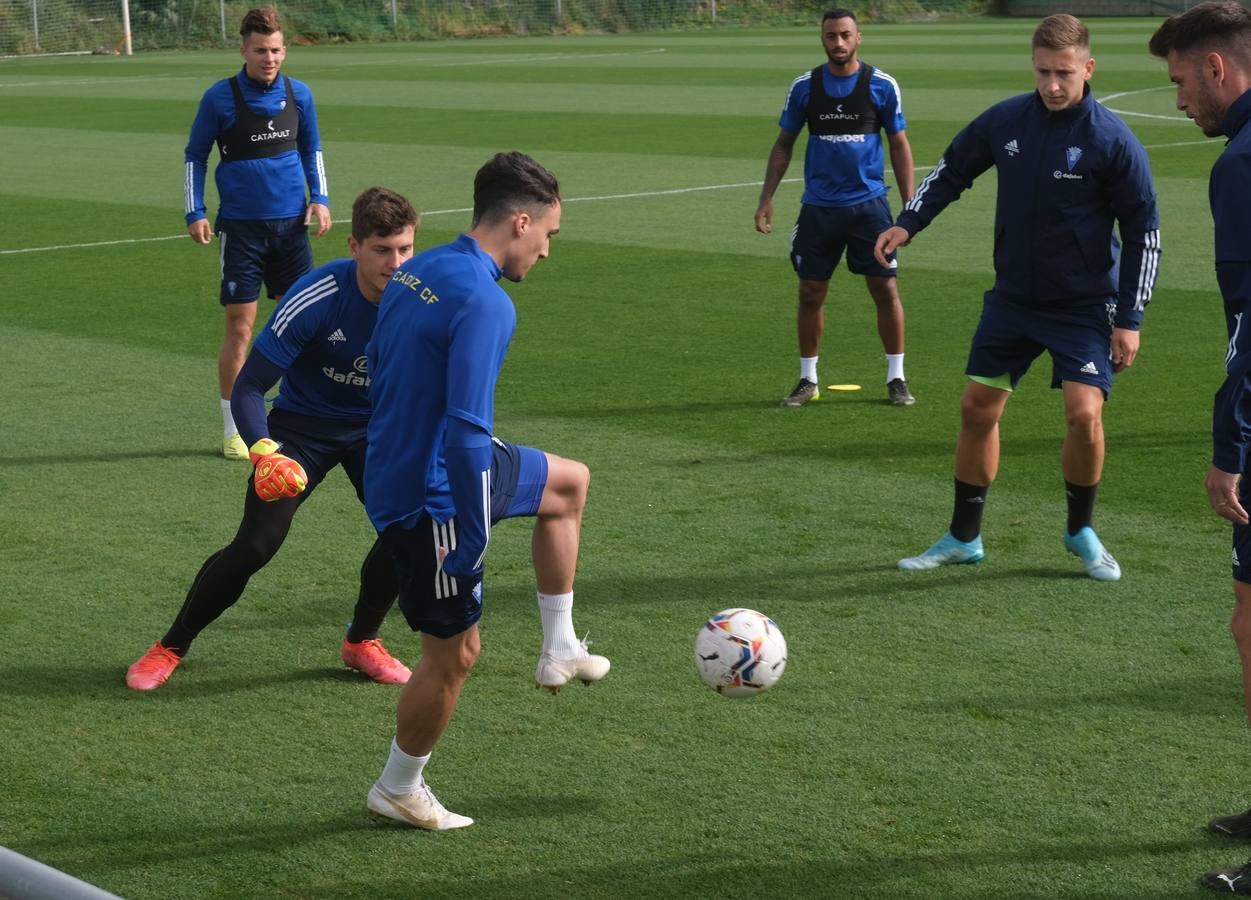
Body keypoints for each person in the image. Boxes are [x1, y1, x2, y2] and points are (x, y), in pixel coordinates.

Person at [363, 152, 609, 831]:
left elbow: (382, 363)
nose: (547, 251)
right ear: (520, 222)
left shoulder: (420, 269)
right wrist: (467, 544)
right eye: (548, 236)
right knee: (454, 655)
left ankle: (559, 647)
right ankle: (397, 787)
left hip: (406, 456)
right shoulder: (486, 303)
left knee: (567, 484)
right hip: (430, 495)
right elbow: (470, 436)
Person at [876, 14, 1160, 581]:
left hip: (1084, 306)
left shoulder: (1112, 141)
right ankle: (963, 537)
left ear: (1088, 68)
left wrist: (1129, 319)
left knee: (1083, 414)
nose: (1052, 85)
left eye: (1063, 73)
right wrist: (909, 223)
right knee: (977, 408)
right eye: (1042, 72)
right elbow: (953, 170)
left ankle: (1080, 529)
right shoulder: (1007, 121)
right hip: (1014, 300)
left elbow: (1143, 233)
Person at [126, 187, 417, 691]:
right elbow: (249, 386)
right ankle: (169, 646)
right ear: (353, 246)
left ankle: (361, 641)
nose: (395, 263)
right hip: (301, 432)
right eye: (382, 250)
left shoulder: (420, 298)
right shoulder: (317, 295)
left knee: (407, 534)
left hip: (377, 430)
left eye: (405, 249)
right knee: (256, 545)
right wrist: (264, 451)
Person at [1149, 3, 1251, 892]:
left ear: (1216, 68)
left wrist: (1230, 445)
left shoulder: (1242, 164)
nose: (1177, 98)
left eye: (1180, 79)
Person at [183, 6, 331, 461]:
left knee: (306, 327)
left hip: (292, 229)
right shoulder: (219, 97)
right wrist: (195, 210)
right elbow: (195, 155)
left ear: (285, 50)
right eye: (261, 50)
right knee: (240, 326)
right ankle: (234, 430)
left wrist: (320, 198)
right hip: (242, 231)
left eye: (276, 50)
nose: (270, 58)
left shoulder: (299, 94)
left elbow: (312, 149)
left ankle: (305, 415)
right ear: (244, 50)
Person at [755, 7, 917, 408]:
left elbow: (899, 143)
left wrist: (910, 206)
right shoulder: (804, 87)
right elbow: (784, 143)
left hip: (869, 209)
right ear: (822, 39)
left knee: (885, 289)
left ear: (858, 37)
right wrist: (766, 197)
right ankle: (808, 379)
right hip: (819, 210)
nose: (839, 43)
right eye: (831, 36)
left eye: (845, 35)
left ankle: (896, 377)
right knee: (810, 292)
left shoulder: (881, 85)